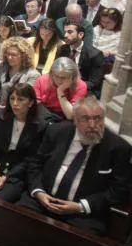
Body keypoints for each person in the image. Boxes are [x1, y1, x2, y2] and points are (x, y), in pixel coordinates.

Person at [18, 96, 132, 236]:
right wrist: (39, 192)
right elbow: (34, 163)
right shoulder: (57, 132)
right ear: (75, 120)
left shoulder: (118, 148)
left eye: (97, 118)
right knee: (16, 224)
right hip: (43, 200)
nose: (92, 124)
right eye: (85, 119)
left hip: (83, 214)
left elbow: (118, 191)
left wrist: (80, 207)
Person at [0, 83, 46, 202]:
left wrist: (6, 177)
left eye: (21, 99)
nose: (15, 103)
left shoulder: (39, 126)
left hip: (16, 172)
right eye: (12, 99)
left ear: (31, 103)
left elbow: (29, 159)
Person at [55, 20, 104, 96]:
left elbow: (93, 82)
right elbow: (56, 69)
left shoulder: (95, 54)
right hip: (63, 85)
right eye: (65, 32)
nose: (65, 35)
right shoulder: (63, 49)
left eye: (70, 32)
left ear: (80, 34)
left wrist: (74, 87)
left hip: (83, 88)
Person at [0, 37, 41, 107]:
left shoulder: (33, 75)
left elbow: (27, 98)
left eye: (14, 55)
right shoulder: (1, 67)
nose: (9, 57)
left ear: (24, 56)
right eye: (8, 54)